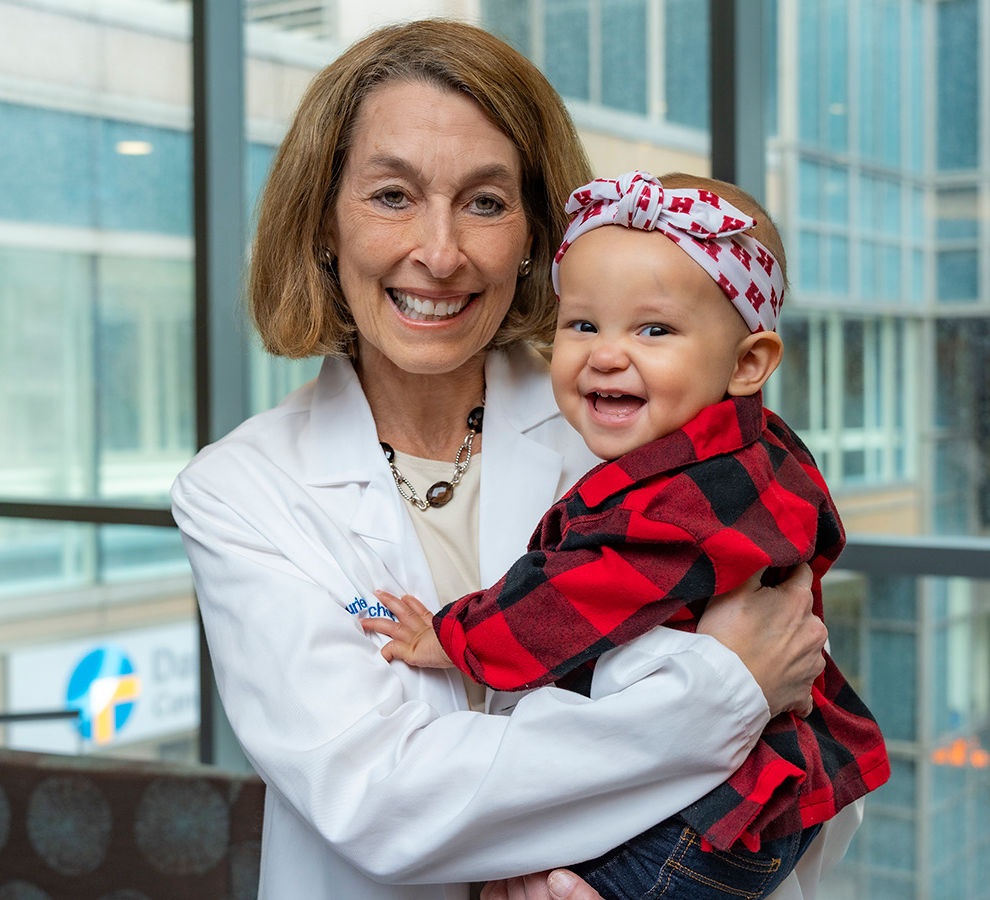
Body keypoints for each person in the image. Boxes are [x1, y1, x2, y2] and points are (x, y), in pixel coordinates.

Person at [171, 20, 850, 900]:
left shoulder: (643, 424)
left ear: (537, 234)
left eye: (486, 202)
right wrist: (724, 692)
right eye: (392, 196)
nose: (442, 252)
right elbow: (380, 797)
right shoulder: (240, 489)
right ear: (324, 225)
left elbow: (817, 738)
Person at [364, 171, 888, 899]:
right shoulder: (742, 452)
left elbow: (562, 603)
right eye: (583, 325)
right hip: (738, 813)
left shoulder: (686, 499)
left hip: (704, 831)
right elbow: (369, 801)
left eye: (654, 329)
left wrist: (454, 638)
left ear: (747, 364)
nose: (606, 354)